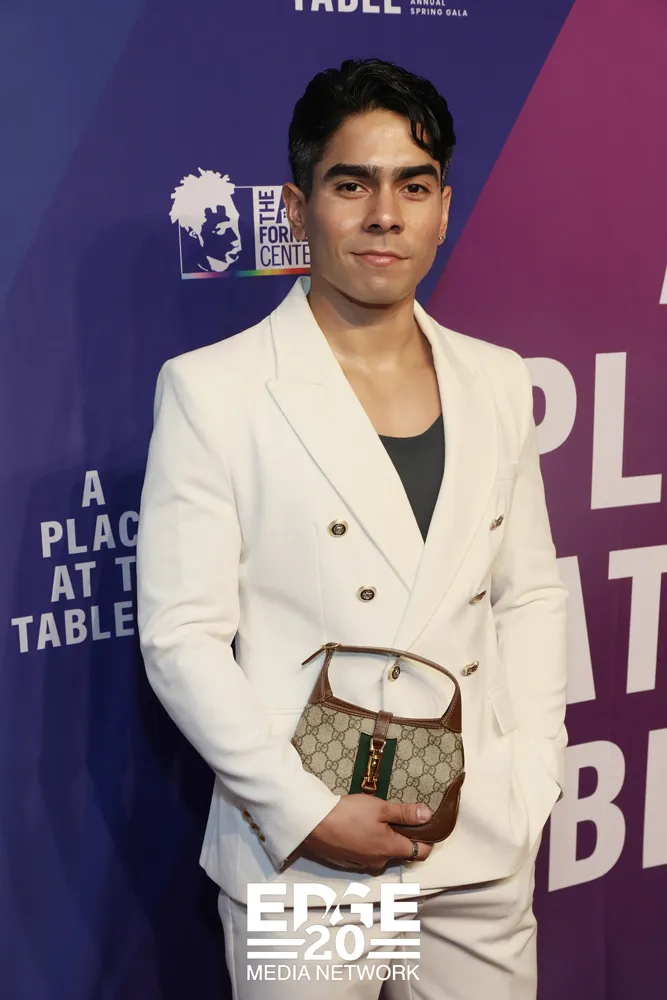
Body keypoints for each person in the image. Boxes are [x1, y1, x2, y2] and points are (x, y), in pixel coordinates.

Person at [136, 57, 568, 1000]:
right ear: (297, 209)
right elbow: (181, 637)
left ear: (443, 209)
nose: (384, 215)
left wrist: (534, 767)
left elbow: (528, 590)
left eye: (412, 186)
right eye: (351, 185)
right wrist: (303, 812)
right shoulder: (216, 390)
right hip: (306, 852)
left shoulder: (497, 380)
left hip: (477, 842)